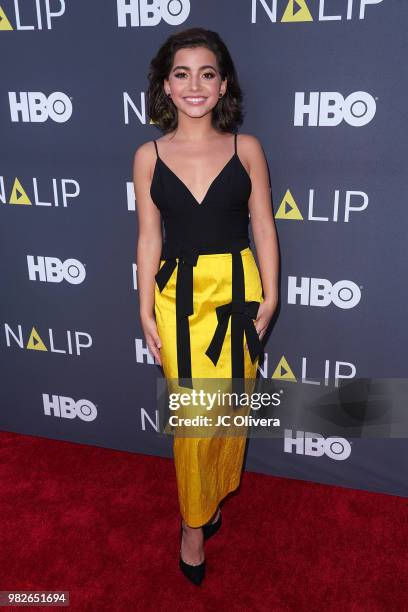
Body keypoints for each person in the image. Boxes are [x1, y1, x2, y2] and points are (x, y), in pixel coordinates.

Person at [133, 27, 279, 585]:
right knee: (193, 419)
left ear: (222, 87)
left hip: (239, 294)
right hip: (178, 298)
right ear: (166, 86)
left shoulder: (248, 149)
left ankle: (212, 496)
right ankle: (193, 524)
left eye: (207, 73)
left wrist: (273, 291)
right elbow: (149, 236)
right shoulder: (148, 155)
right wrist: (144, 307)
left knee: (228, 414)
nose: (194, 84)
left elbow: (263, 224)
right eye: (181, 73)